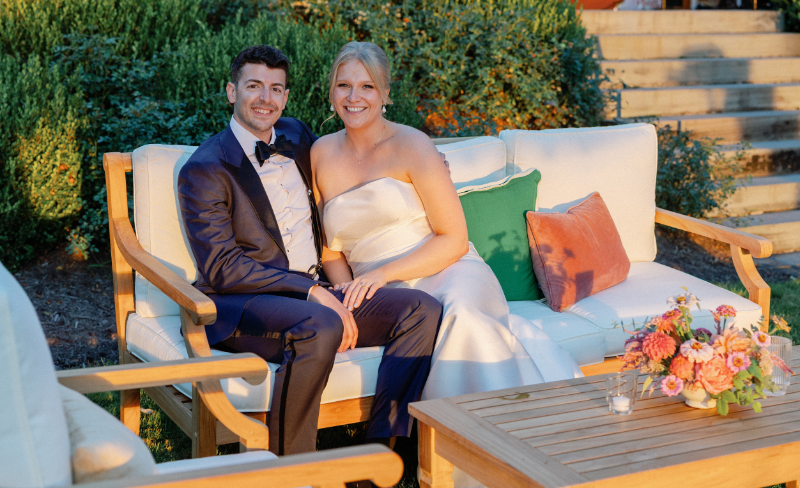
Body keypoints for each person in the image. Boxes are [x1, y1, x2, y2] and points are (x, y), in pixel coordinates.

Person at [311, 42, 582, 457]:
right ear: (331, 92)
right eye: (343, 85)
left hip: (447, 268)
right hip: (379, 291)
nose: (354, 97)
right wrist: (349, 297)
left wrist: (379, 276)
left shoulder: (413, 146)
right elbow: (331, 251)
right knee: (427, 316)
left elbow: (453, 238)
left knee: (462, 316)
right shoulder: (320, 154)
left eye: (367, 86)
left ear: (385, 93)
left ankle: (494, 452)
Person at [177, 45, 443, 457]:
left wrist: (430, 160)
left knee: (420, 310)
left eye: (276, 89)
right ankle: (292, 470)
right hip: (241, 305)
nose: (266, 98)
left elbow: (352, 159)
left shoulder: (298, 136)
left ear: (285, 97)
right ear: (231, 91)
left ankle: (375, 461)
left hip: (317, 292)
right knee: (319, 325)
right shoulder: (205, 169)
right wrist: (311, 292)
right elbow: (222, 267)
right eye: (254, 86)